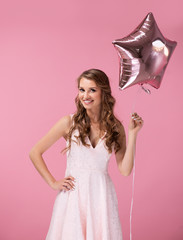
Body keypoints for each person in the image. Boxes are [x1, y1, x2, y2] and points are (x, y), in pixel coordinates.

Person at [29, 68, 144, 240]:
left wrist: (133, 134)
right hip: (74, 198)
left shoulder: (115, 127)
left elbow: (125, 170)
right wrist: (53, 182)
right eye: (82, 89)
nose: (85, 95)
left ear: (103, 92)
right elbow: (35, 152)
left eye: (92, 90)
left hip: (101, 197)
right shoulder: (69, 122)